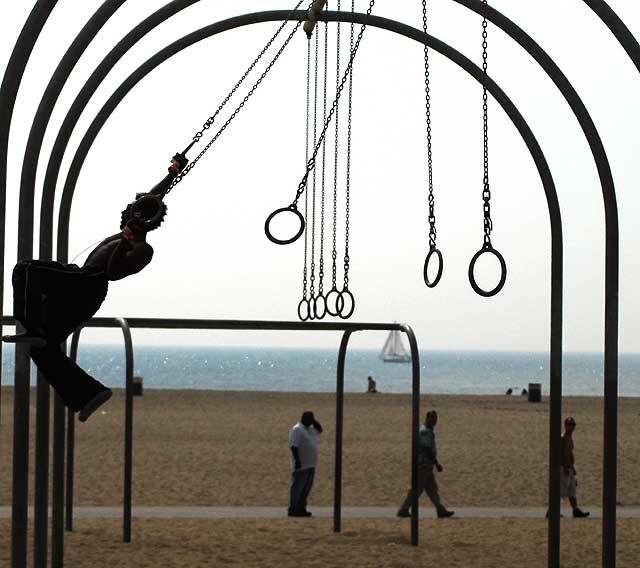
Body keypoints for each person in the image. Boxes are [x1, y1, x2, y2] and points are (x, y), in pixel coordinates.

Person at [3, 155, 187, 422]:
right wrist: (173, 173)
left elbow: (112, 272)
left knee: (26, 269)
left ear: (142, 219)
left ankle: (31, 326)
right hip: (82, 290)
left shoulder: (141, 248)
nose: (125, 211)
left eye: (132, 210)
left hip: (88, 284)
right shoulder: (130, 227)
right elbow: (154, 197)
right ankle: (88, 394)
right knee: (42, 347)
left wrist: (124, 244)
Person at [397, 410, 454, 519]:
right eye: (432, 418)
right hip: (424, 465)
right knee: (416, 490)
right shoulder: (425, 432)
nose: (434, 420)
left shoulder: (428, 431)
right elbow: (427, 449)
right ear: (427, 418)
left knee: (432, 489)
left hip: (427, 465)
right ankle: (403, 509)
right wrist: (436, 463)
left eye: (435, 418)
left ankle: (441, 510)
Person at [288, 411, 322, 517]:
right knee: (298, 488)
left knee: (306, 489)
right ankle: (293, 509)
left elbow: (320, 429)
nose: (310, 421)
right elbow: (293, 446)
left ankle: (302, 508)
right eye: (309, 419)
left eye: (312, 419)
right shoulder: (297, 429)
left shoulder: (311, 429)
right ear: (303, 418)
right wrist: (297, 460)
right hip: (301, 465)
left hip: (311, 464)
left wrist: (314, 421)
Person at [561, 417, 590, 517]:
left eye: (573, 424)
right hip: (564, 467)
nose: (572, 427)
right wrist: (565, 466)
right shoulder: (563, 437)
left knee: (572, 489)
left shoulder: (570, 437)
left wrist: (572, 467)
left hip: (570, 467)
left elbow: (570, 453)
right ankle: (551, 510)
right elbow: (562, 454)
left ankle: (575, 510)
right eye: (570, 424)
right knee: (561, 490)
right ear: (565, 425)